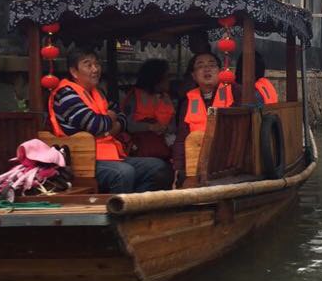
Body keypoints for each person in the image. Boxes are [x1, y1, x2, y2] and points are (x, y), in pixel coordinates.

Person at [48, 47, 171, 194]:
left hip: (111, 155)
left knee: (159, 167)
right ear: (74, 72)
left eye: (97, 64)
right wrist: (110, 120)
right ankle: (118, 211)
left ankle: (134, 206)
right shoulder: (66, 94)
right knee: (123, 173)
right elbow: (94, 125)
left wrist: (109, 124)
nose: (95, 69)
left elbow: (122, 118)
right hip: (83, 161)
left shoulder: (98, 92)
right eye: (88, 65)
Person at [174, 51, 236, 186]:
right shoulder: (188, 100)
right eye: (200, 65)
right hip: (196, 162)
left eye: (212, 65)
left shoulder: (234, 92)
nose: (207, 69)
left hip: (228, 161)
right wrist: (177, 168)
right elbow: (181, 138)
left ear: (220, 71)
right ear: (194, 76)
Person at [122, 59, 175, 161]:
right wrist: (150, 127)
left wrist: (165, 128)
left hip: (166, 149)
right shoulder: (134, 97)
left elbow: (174, 127)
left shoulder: (166, 98)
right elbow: (127, 125)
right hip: (140, 151)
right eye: (167, 77)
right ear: (156, 79)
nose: (169, 80)